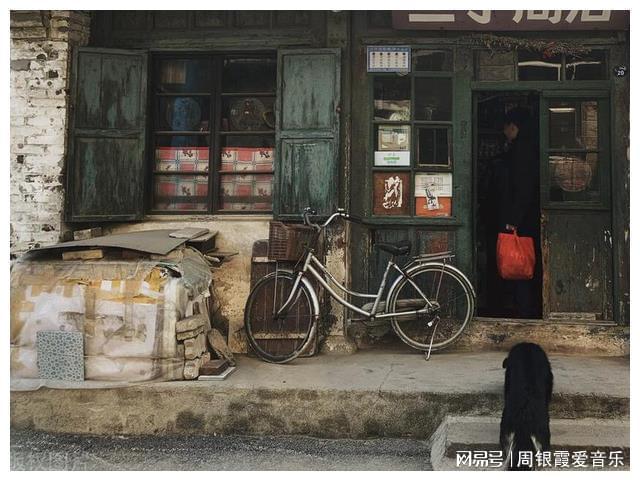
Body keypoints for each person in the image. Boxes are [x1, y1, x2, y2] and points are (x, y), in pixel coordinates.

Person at [494, 107, 541, 318]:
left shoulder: (522, 151)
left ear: (513, 127)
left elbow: (523, 188)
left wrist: (513, 220)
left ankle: (524, 309)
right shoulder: (525, 147)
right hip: (527, 216)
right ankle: (525, 307)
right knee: (525, 261)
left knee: (521, 262)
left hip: (522, 219)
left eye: (506, 129)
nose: (505, 133)